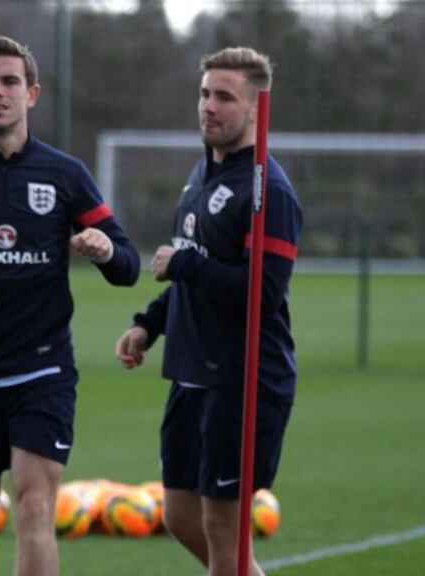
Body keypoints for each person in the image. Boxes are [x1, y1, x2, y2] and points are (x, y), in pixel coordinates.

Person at [0, 36, 140, 576]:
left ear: (32, 93)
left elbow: (129, 264)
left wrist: (106, 250)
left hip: (44, 371)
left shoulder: (65, 175)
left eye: (10, 81)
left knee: (36, 507)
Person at [115, 47, 302, 576]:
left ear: (256, 110)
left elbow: (261, 292)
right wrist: (148, 324)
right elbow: (191, 273)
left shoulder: (270, 191)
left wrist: (185, 267)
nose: (209, 106)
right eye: (204, 93)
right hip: (192, 372)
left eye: (225, 96)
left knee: (225, 533)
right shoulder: (202, 175)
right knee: (178, 515)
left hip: (242, 380)